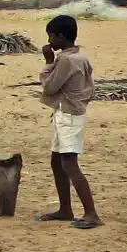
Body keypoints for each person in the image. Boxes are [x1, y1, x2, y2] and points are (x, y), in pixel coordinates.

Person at [38, 14, 101, 229]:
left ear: (61, 36)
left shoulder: (65, 60)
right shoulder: (80, 58)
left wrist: (48, 63)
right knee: (57, 162)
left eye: (51, 36)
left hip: (68, 115)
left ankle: (91, 213)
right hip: (70, 111)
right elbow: (90, 87)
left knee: (68, 163)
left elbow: (50, 87)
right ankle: (65, 209)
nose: (49, 41)